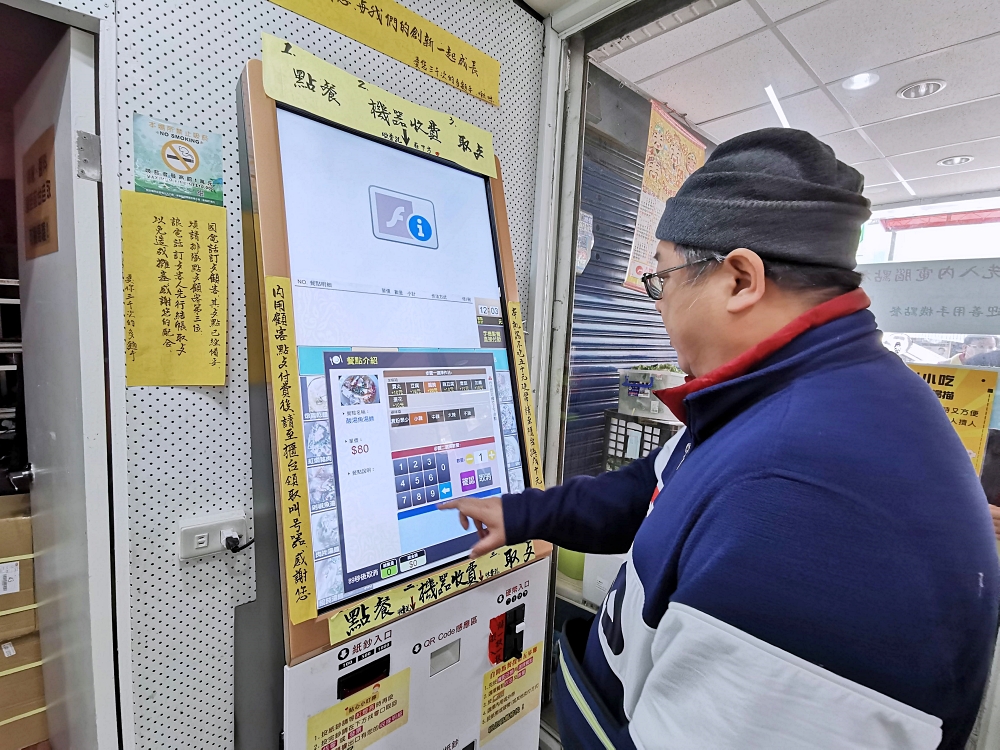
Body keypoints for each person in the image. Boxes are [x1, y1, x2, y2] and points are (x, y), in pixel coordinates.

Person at [442, 128, 999, 750]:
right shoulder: (794, 398)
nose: (656, 305)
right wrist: (521, 514)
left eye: (662, 279)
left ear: (740, 280)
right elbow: (653, 489)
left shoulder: (805, 499)